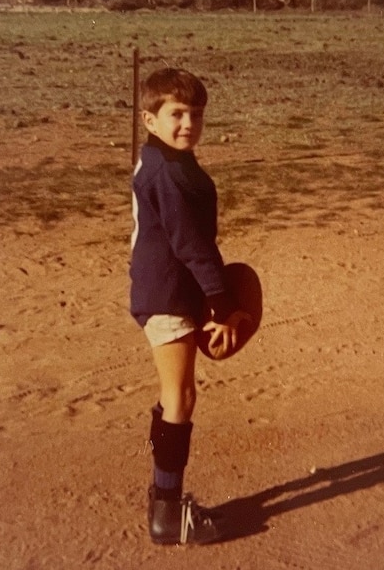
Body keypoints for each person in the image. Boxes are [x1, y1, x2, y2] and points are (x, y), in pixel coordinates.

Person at [129, 67, 248, 545]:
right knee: (180, 398)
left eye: (195, 114)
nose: (187, 124)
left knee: (173, 396)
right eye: (176, 114)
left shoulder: (166, 160)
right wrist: (222, 305)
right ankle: (168, 516)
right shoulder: (166, 171)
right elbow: (191, 244)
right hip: (168, 295)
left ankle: (163, 493)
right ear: (149, 118)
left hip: (169, 288)